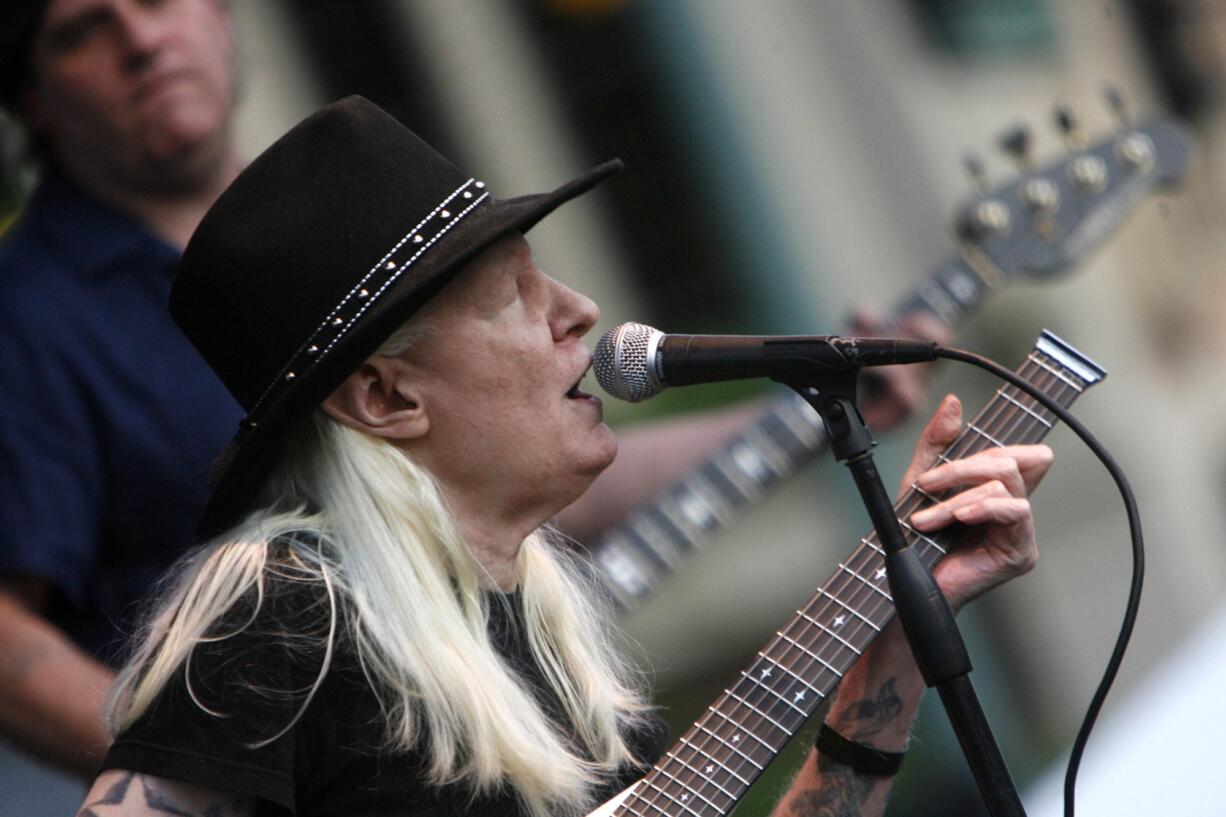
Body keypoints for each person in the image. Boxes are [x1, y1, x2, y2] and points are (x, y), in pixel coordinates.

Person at [0, 0, 949, 786]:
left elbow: (529, 471)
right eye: (85, 25)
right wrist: (233, 760)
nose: (580, 311)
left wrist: (889, 658)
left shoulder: (541, 615)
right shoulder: (272, 613)